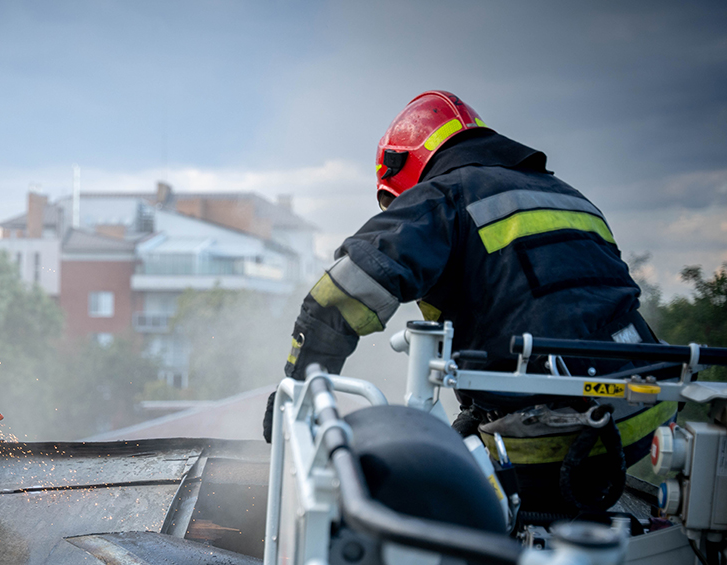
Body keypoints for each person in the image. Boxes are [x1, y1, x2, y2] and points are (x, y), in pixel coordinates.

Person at [265, 91, 675, 513]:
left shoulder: (443, 198)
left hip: (555, 439)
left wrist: (294, 391)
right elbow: (543, 313)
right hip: (641, 421)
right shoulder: (570, 196)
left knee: (392, 504)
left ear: (404, 173)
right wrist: (478, 414)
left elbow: (336, 299)